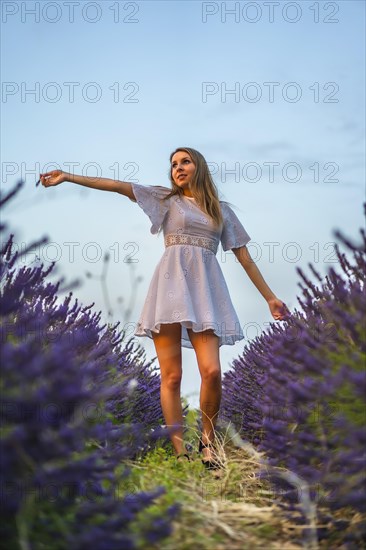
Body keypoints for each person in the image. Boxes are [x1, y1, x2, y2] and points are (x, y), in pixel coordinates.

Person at [39, 147, 288, 469]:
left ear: (199, 167)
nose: (178, 168)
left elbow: (245, 258)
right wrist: (69, 177)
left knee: (212, 371)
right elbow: (117, 186)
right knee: (171, 377)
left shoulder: (221, 211)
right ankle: (181, 453)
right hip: (169, 289)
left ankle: (208, 444)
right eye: (173, 164)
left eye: (185, 162)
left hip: (206, 292)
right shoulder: (165, 199)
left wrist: (269, 297)